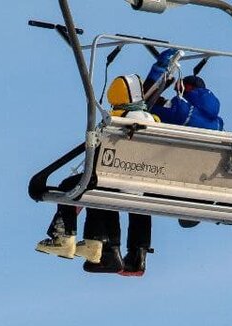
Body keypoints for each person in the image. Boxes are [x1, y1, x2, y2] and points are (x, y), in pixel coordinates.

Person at [35, 73, 158, 277]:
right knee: (101, 188)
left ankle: (66, 238)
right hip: (146, 185)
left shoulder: (118, 122)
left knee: (74, 184)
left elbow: (101, 159)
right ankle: (99, 244)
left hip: (115, 180)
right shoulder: (154, 121)